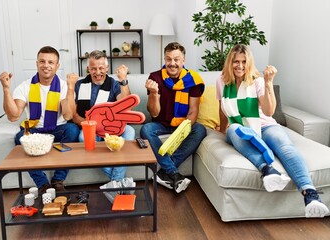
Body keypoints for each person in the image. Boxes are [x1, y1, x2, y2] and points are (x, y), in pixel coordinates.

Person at [216, 43, 329, 218]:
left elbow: (269, 112)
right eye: (235, 61)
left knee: (285, 147)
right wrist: (222, 128)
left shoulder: (258, 80)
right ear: (229, 63)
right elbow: (221, 107)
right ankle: (267, 168)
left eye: (244, 61)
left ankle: (310, 194)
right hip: (239, 128)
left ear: (249, 62)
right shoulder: (221, 81)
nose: (239, 66)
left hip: (264, 125)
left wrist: (269, 83)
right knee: (235, 129)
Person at [0, 46, 80, 194]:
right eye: (42, 61)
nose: (46, 65)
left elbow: (68, 116)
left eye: (50, 62)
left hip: (59, 129)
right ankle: (43, 184)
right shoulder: (25, 86)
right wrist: (6, 89)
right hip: (36, 131)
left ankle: (58, 180)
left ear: (57, 66)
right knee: (20, 138)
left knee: (73, 130)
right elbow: (13, 116)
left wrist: (70, 88)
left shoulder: (63, 86)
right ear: (37, 63)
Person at [140, 42, 207, 193]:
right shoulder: (155, 77)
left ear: (183, 60)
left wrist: (180, 132)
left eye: (176, 59)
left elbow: (193, 111)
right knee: (146, 129)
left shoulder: (193, 79)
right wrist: (153, 93)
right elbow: (154, 113)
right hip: (161, 124)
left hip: (183, 123)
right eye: (168, 59)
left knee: (200, 129)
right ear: (164, 59)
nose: (172, 63)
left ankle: (165, 171)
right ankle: (174, 173)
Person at [73, 50, 136, 203]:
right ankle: (119, 184)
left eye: (101, 68)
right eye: (93, 68)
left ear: (107, 68)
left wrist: (124, 80)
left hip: (112, 128)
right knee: (82, 136)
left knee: (130, 131)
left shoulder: (114, 84)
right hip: (90, 127)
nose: (98, 72)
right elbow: (74, 115)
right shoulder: (80, 85)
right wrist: (89, 125)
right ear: (88, 69)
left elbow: (126, 107)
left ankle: (114, 184)